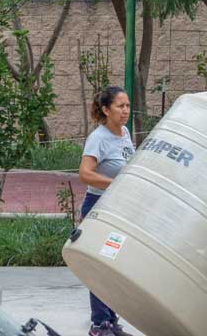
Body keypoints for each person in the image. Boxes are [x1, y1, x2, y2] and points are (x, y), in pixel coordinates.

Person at [78, 86, 135, 336]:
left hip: (118, 210)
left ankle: (111, 321)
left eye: (127, 106)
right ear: (105, 109)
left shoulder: (124, 133)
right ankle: (99, 323)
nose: (125, 111)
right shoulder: (98, 138)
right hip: (99, 209)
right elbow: (85, 174)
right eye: (120, 106)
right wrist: (116, 184)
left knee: (113, 266)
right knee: (100, 266)